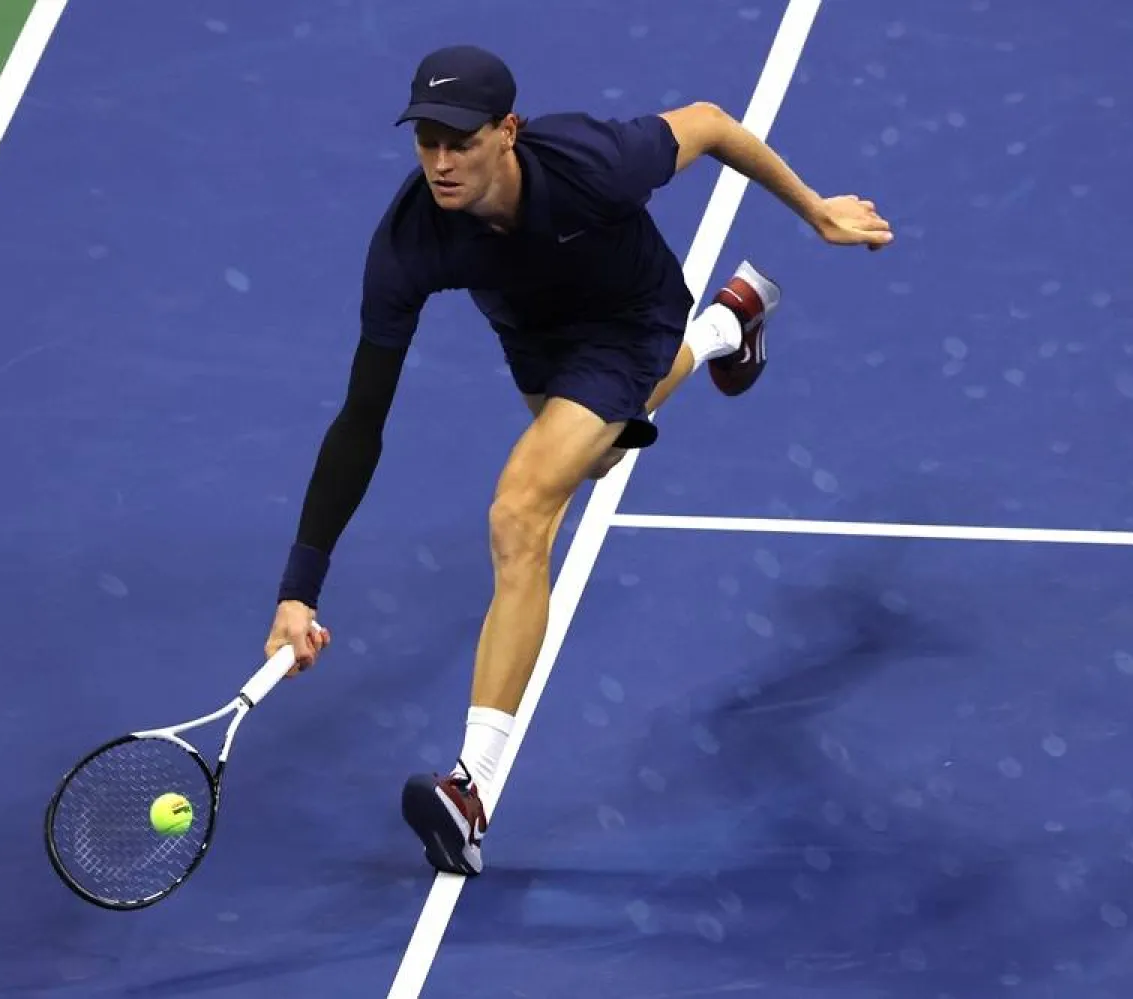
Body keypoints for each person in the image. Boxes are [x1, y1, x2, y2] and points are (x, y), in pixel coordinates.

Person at [262, 44, 893, 876]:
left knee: (520, 510)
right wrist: (299, 589)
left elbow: (709, 124)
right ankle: (728, 324)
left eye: (461, 142)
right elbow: (360, 419)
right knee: (593, 461)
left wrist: (815, 211)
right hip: (534, 339)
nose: (441, 163)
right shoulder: (411, 241)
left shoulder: (594, 162)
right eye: (427, 142)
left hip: (631, 318)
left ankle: (470, 790)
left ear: (508, 131)